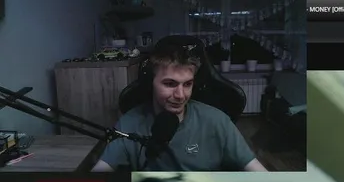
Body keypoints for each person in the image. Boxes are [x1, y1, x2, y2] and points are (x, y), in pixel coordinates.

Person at [93, 41, 267, 172]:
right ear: (150, 83)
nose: (181, 95)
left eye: (187, 84)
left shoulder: (217, 121)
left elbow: (259, 173)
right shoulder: (130, 123)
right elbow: (97, 178)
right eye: (170, 84)